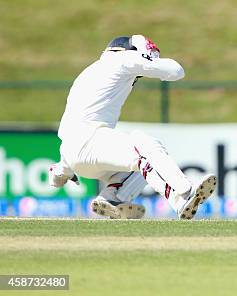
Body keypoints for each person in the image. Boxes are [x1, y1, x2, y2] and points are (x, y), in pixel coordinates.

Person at [49, 34, 217, 220]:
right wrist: (148, 58)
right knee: (144, 144)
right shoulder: (122, 59)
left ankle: (111, 198)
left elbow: (73, 139)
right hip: (92, 142)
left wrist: (61, 172)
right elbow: (177, 71)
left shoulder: (87, 74)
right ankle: (183, 194)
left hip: (75, 155)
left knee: (147, 164)